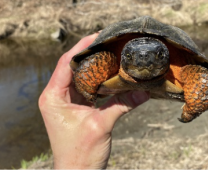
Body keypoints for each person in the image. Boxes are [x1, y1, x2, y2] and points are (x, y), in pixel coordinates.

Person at [39, 33, 149, 169]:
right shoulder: (111, 59)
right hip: (113, 65)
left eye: (158, 56)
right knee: (100, 61)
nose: (144, 59)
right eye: (131, 55)